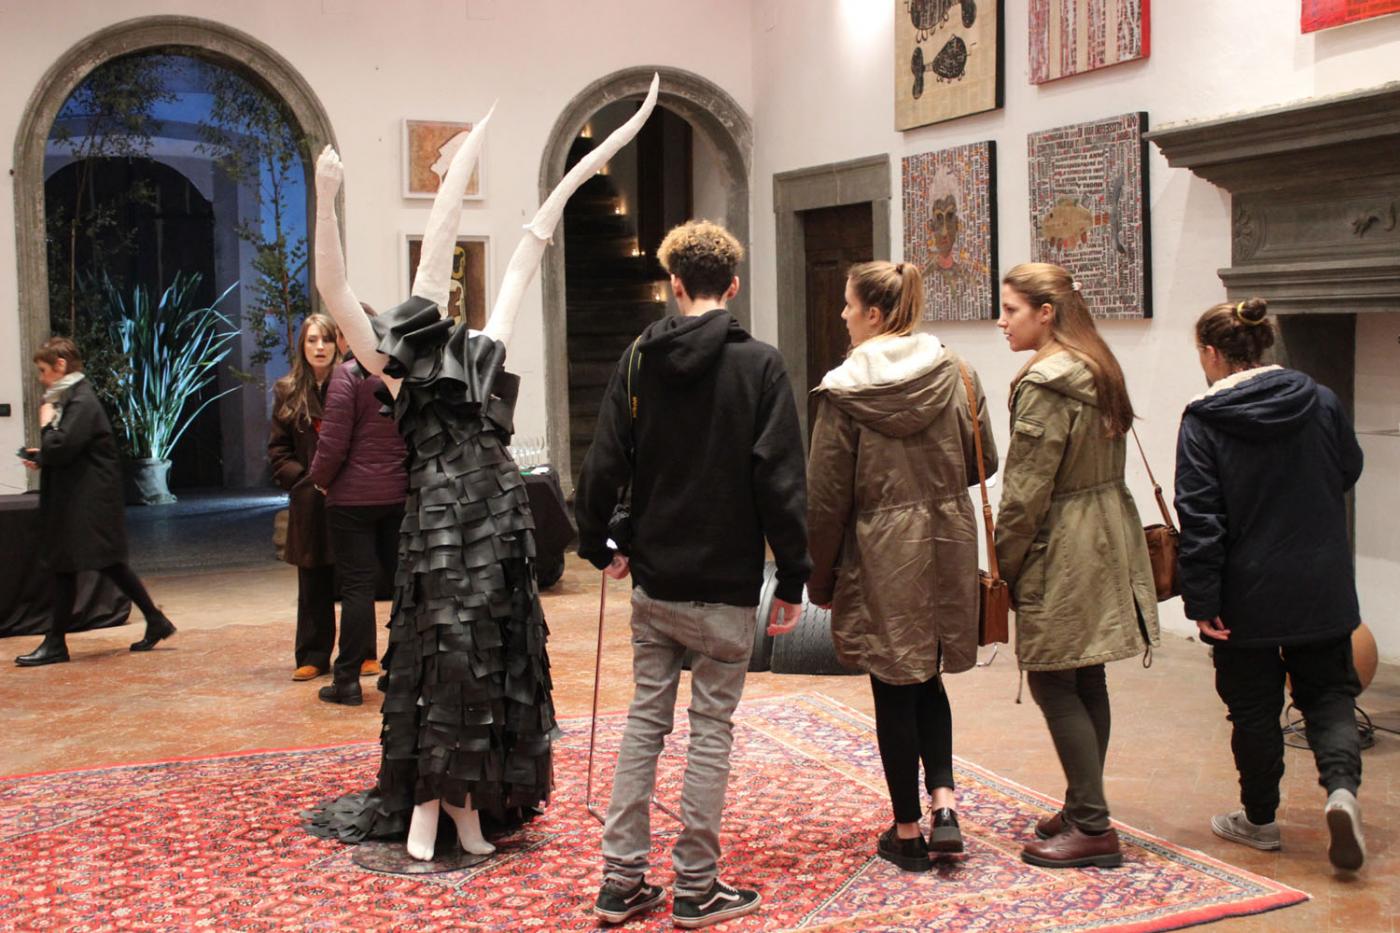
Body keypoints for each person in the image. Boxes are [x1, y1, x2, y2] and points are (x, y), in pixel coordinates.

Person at [306, 78, 660, 863]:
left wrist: (583, 165)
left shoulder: (480, 351)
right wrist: (326, 196)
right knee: (444, 652)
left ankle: (469, 804)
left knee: (494, 654)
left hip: (497, 519)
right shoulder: (397, 367)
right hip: (440, 524)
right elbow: (333, 288)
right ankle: (429, 801)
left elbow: (530, 249)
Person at [575, 220, 810, 929]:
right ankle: (697, 888)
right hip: (727, 586)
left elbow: (602, 463)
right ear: (732, 286)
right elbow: (781, 482)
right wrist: (791, 578)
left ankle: (621, 880)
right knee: (711, 731)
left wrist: (598, 544)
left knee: (644, 722)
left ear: (674, 284)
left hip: (655, 580)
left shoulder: (639, 360)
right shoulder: (761, 366)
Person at [806, 260, 997, 872]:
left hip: (883, 548)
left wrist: (819, 576)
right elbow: (985, 460)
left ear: (874, 314)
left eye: (848, 305)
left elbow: (826, 499)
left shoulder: (844, 392)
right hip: (947, 538)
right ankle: (945, 806)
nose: (842, 315)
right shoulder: (957, 372)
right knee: (928, 673)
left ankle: (908, 831)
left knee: (892, 683)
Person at [1176, 297, 1366, 872]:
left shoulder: (1205, 419)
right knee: (1329, 694)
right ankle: (1341, 792)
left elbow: (1200, 518)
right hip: (1321, 578)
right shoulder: (1321, 400)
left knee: (1253, 709)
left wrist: (1201, 599)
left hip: (1245, 591)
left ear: (1212, 353)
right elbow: (1349, 468)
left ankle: (1259, 820)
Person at [993, 262, 1159, 869]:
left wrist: (1006, 563)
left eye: (1011, 310)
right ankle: (1082, 801)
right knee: (1087, 675)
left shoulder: (1046, 382)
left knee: (1052, 677)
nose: (1002, 322)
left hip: (1064, 540)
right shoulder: (1098, 365)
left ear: (1046, 313)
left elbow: (1026, 490)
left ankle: (1091, 825)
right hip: (1108, 528)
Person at [15, 337, 176, 666]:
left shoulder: (81, 400)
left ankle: (56, 643)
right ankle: (154, 620)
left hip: (87, 502)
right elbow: (67, 449)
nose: (42, 378)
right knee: (100, 563)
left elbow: (62, 446)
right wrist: (42, 456)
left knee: (74, 565)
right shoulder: (73, 398)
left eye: (44, 370)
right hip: (83, 500)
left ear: (61, 365)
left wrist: (45, 424)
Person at [308, 303, 405, 706]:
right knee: (403, 587)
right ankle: (400, 674)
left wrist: (319, 479)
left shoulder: (346, 376)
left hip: (351, 500)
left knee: (357, 589)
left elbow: (332, 443)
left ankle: (347, 679)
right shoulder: (399, 373)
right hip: (397, 495)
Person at [267, 314, 341, 682]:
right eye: (312, 340)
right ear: (302, 346)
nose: (320, 347)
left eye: (326, 340)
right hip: (310, 499)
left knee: (355, 579)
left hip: (347, 495)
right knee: (312, 579)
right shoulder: (288, 390)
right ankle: (313, 654)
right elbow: (278, 450)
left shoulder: (350, 384)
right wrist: (303, 480)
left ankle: (362, 653)